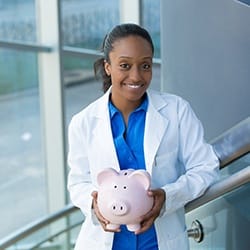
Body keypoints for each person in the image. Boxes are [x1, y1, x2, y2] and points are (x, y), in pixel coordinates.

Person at [67, 23, 219, 250]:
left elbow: (206, 167)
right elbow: (78, 182)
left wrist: (167, 197)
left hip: (159, 241)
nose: (136, 76)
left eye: (145, 65)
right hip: (102, 242)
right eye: (125, 65)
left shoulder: (177, 111)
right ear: (108, 67)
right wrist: (95, 204)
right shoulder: (83, 122)